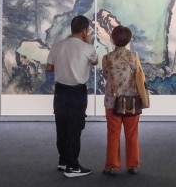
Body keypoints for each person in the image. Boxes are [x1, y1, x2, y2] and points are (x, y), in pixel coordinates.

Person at [46, 15, 98, 178]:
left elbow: (49, 68)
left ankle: (63, 161)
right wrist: (86, 42)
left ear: (71, 28)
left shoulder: (57, 45)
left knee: (61, 127)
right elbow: (95, 62)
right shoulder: (88, 48)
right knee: (75, 129)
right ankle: (73, 167)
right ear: (85, 30)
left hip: (60, 91)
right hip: (77, 92)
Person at [102, 25, 141, 176]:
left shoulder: (107, 58)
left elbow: (106, 75)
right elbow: (138, 75)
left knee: (113, 134)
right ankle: (133, 165)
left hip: (112, 101)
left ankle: (112, 166)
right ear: (129, 40)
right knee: (132, 134)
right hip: (132, 100)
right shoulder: (134, 56)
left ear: (112, 39)